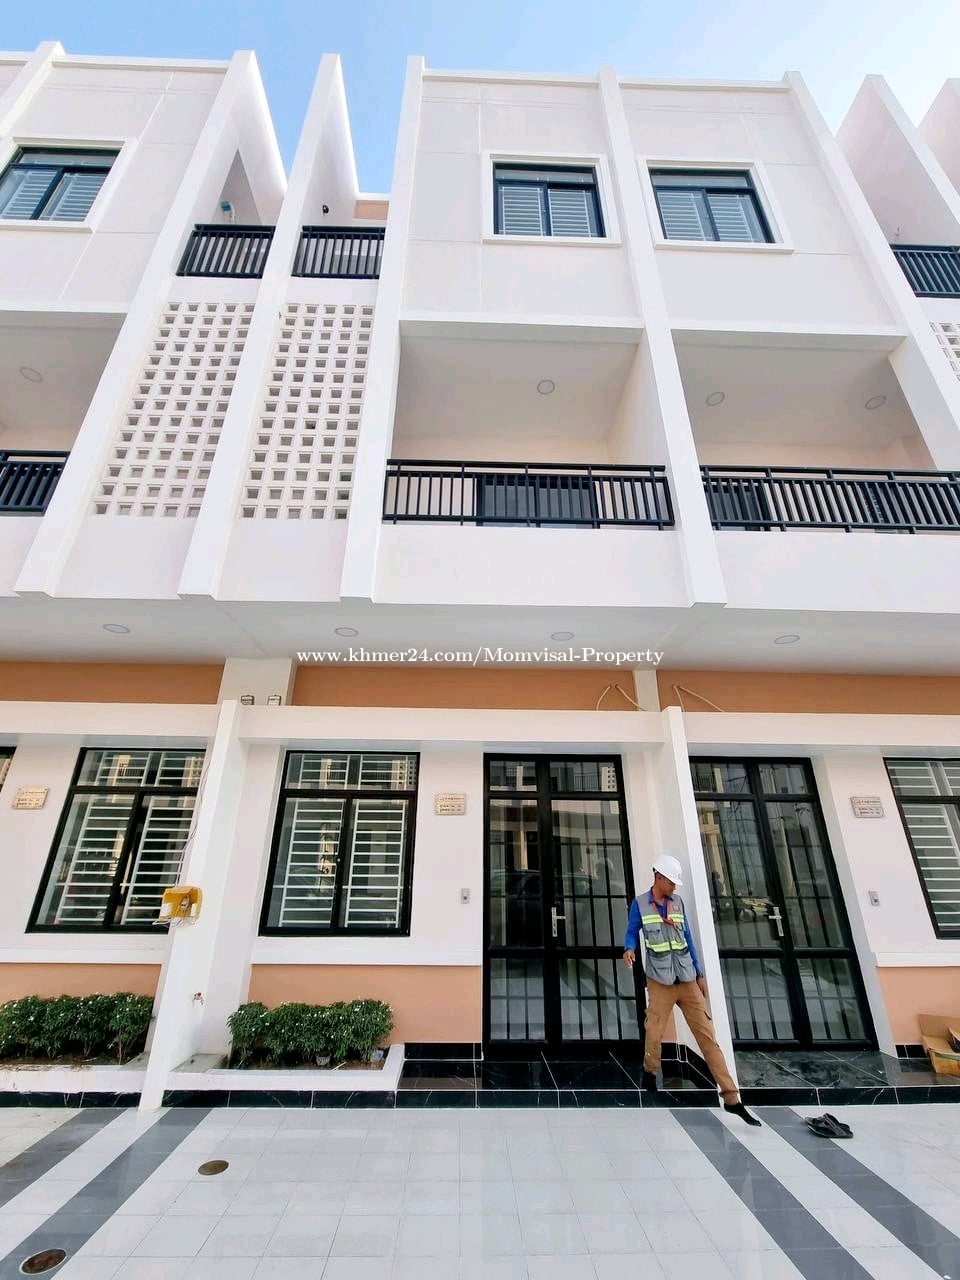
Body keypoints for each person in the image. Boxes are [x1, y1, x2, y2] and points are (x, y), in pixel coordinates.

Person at [624, 854, 761, 1127]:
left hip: (686, 978)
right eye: (671, 882)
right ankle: (650, 1073)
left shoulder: (678, 902)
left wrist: (699, 974)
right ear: (658, 878)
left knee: (707, 1036)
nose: (674, 886)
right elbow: (632, 932)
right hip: (660, 979)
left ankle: (732, 1097)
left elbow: (687, 937)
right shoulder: (640, 904)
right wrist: (629, 949)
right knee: (654, 1030)